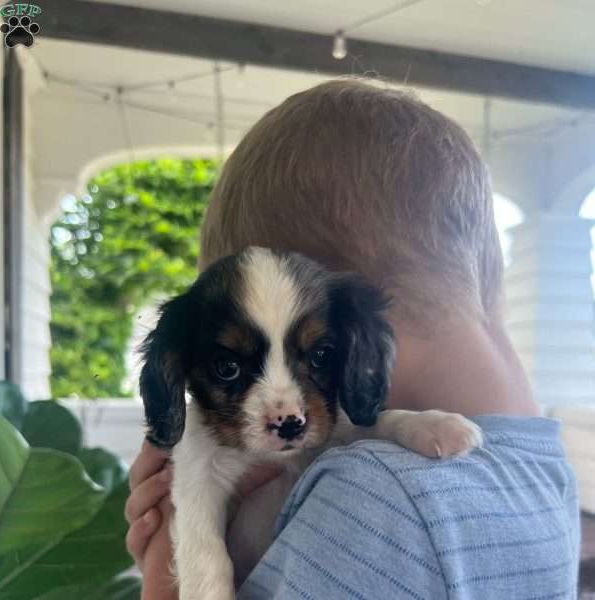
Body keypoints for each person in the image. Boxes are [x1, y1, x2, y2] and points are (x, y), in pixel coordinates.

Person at [124, 80, 580, 599]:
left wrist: (163, 574)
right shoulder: (545, 469)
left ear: (350, 322)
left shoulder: (377, 497)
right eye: (229, 368)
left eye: (318, 354)